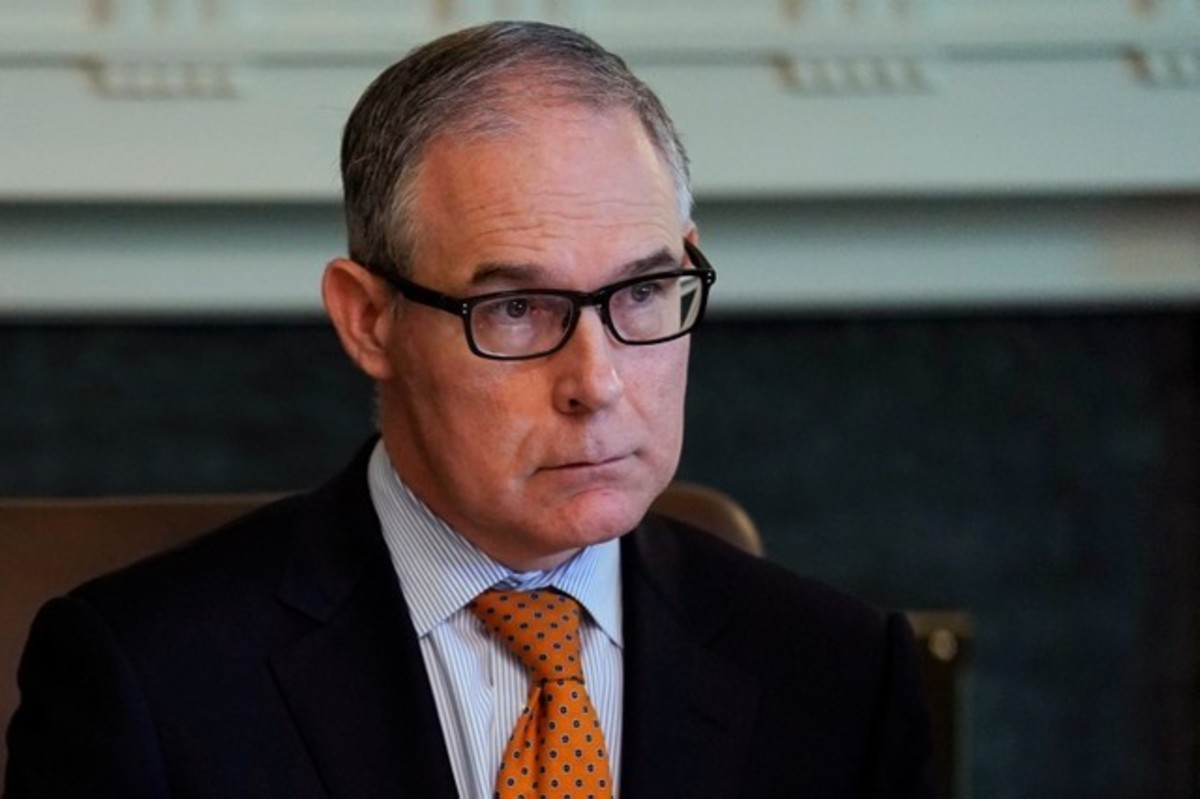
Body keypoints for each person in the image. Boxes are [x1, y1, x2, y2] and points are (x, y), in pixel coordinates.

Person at [4, 20, 935, 799]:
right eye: (517, 308)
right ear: (368, 320)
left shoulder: (846, 677)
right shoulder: (147, 678)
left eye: (644, 291)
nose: (598, 381)